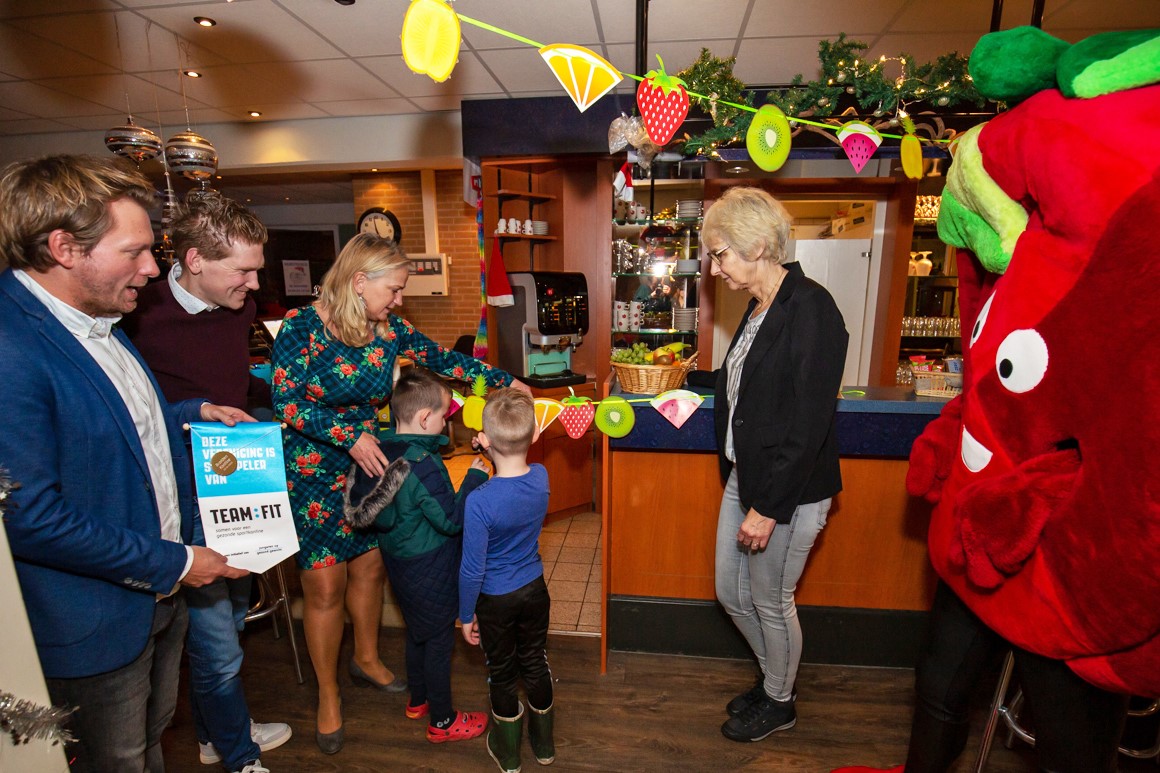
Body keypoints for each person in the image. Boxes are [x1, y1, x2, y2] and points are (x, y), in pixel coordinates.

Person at [0, 154, 251, 772]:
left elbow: (126, 428)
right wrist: (178, 561)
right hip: (94, 621)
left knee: (149, 740)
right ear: (64, 248)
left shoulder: (103, 318)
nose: (151, 267)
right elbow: (28, 516)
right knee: (116, 760)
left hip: (153, 600)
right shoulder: (12, 346)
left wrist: (192, 411)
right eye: (135, 251)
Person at [271, 232, 527, 754]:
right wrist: (350, 434)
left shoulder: (388, 329)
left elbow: (443, 361)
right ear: (359, 282)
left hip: (373, 466)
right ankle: (328, 695)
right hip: (315, 471)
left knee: (370, 567)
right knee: (324, 587)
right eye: (394, 288)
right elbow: (286, 402)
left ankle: (366, 659)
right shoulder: (301, 329)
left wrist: (504, 383)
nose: (400, 299)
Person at [121, 194, 291, 773]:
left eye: (256, 268)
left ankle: (219, 733)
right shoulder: (135, 311)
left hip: (235, 484)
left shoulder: (238, 305)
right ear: (194, 260)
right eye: (241, 270)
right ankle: (240, 756)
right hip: (178, 496)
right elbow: (134, 413)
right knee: (216, 642)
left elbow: (237, 386)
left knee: (230, 620)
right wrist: (198, 409)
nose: (253, 282)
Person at [701, 186, 848, 743]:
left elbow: (808, 424)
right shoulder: (759, 306)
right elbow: (748, 392)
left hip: (788, 491)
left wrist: (767, 508)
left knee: (769, 600)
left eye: (720, 254)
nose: (716, 269)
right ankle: (775, 678)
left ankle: (779, 699)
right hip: (747, 477)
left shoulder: (811, 308)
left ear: (757, 245)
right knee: (729, 592)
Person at [344, 367, 491, 743]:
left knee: (417, 633)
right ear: (426, 418)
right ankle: (442, 721)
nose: (446, 423)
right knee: (440, 641)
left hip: (399, 563)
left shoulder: (380, 450)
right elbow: (451, 520)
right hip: (432, 564)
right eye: (444, 415)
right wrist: (473, 478)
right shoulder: (423, 465)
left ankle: (418, 699)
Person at [459, 388, 555, 773]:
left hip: (495, 599)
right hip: (535, 590)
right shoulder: (543, 478)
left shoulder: (479, 500)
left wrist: (466, 615)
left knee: (502, 672)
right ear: (534, 436)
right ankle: (545, 745)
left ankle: (510, 754)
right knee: (535, 662)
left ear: (484, 440)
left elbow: (471, 568)